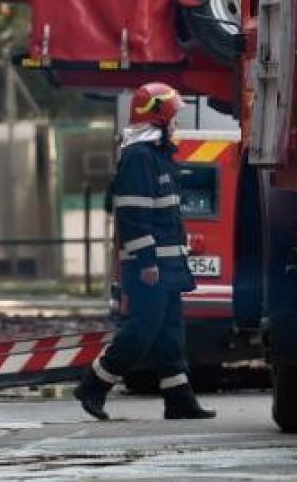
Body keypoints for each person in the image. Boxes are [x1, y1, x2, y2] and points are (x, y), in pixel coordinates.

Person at [74, 82, 216, 421]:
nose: (178, 125)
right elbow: (134, 216)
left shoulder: (156, 157)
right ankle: (94, 383)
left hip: (166, 266)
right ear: (157, 119)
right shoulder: (139, 158)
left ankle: (179, 398)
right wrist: (148, 262)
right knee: (143, 329)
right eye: (174, 118)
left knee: (170, 333)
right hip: (149, 268)